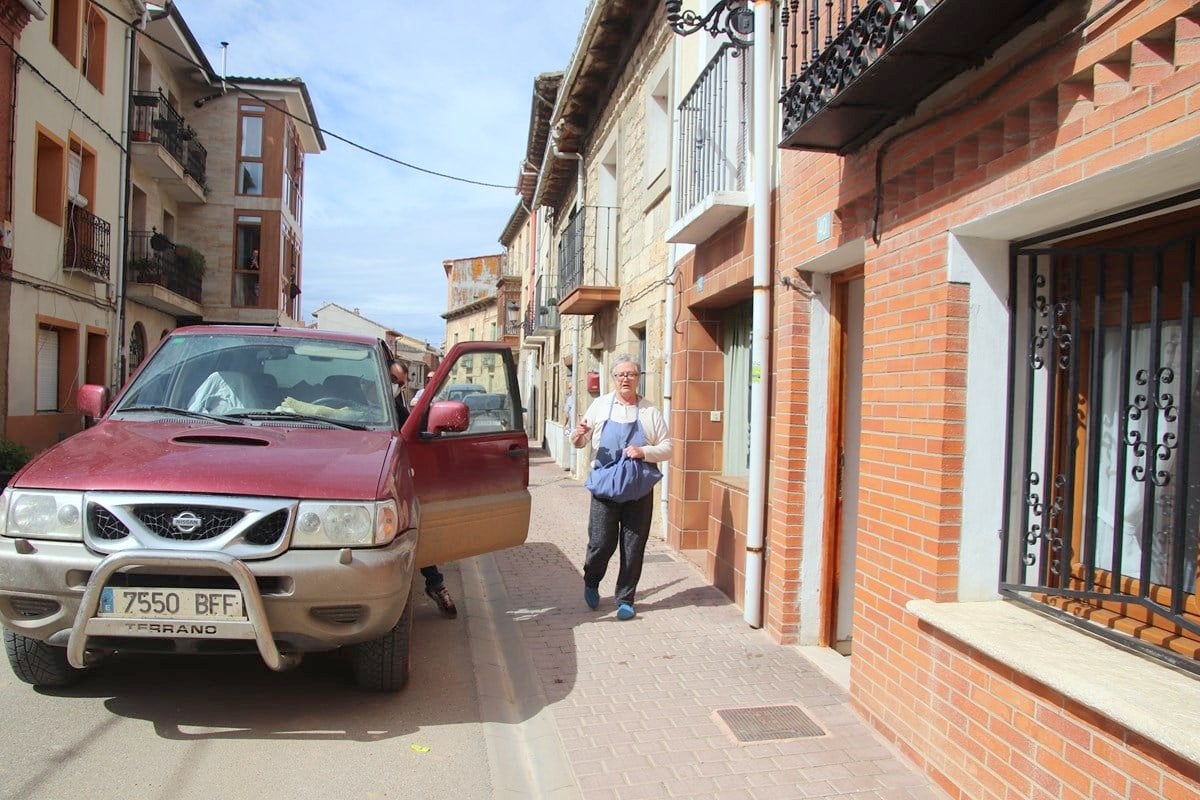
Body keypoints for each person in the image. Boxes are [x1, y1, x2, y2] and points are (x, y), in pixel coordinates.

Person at [570, 354, 671, 621]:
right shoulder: (600, 406)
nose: (626, 379)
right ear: (613, 378)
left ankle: (626, 599)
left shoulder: (650, 411)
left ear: (638, 378)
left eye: (631, 374)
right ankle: (592, 580)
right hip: (605, 487)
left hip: (638, 490)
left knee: (633, 547)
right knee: (601, 543)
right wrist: (578, 436)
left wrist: (644, 451)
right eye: (621, 375)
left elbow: (667, 447)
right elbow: (580, 440)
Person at [390, 361, 458, 618]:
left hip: (397, 479)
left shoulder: (394, 406)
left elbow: (415, 432)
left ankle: (435, 584)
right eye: (392, 381)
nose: (395, 387)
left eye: (399, 383)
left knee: (414, 529)